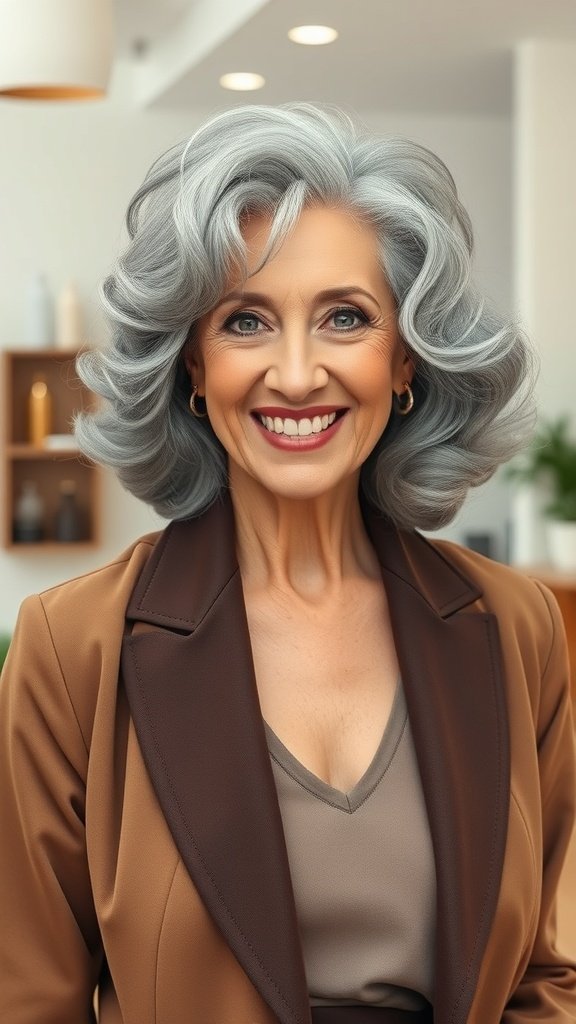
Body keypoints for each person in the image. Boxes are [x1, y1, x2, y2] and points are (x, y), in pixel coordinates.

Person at [0, 103, 575, 1024]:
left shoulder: (517, 627)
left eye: (346, 317)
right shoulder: (73, 648)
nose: (298, 373)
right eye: (246, 322)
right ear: (192, 364)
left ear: (405, 361)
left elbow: (548, 974)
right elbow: (28, 999)